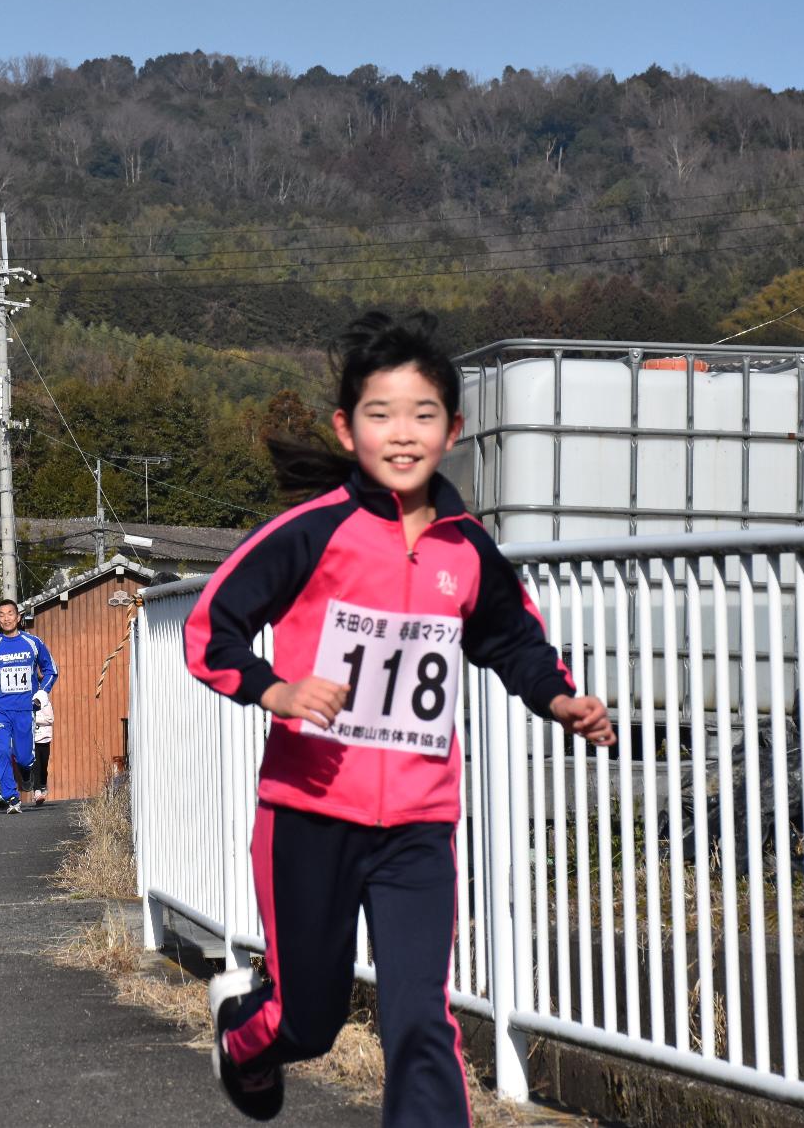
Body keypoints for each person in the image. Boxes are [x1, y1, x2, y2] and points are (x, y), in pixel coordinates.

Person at [186, 311, 615, 1124]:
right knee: (307, 1022)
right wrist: (275, 689)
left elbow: (512, 638)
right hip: (309, 812)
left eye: (424, 414)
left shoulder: (466, 547)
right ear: (348, 429)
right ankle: (245, 1034)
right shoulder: (314, 532)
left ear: (453, 429)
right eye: (381, 413)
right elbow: (211, 628)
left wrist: (560, 697)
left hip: (419, 823)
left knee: (422, 1020)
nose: (404, 432)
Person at [0, 601, 57, 813]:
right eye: (2, 615)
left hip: (25, 709)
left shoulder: (33, 643)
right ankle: (11, 797)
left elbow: (50, 669)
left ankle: (26, 770)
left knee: (24, 757)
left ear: (18, 617)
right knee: (0, 752)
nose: (6, 618)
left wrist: (42, 692)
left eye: (10, 614)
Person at [29, 690, 54, 805]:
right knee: (36, 766)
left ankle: (43, 784)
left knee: (43, 766)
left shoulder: (46, 703)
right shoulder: (28, 702)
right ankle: (37, 791)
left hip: (44, 739)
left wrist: (35, 720)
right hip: (33, 740)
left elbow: (50, 719)